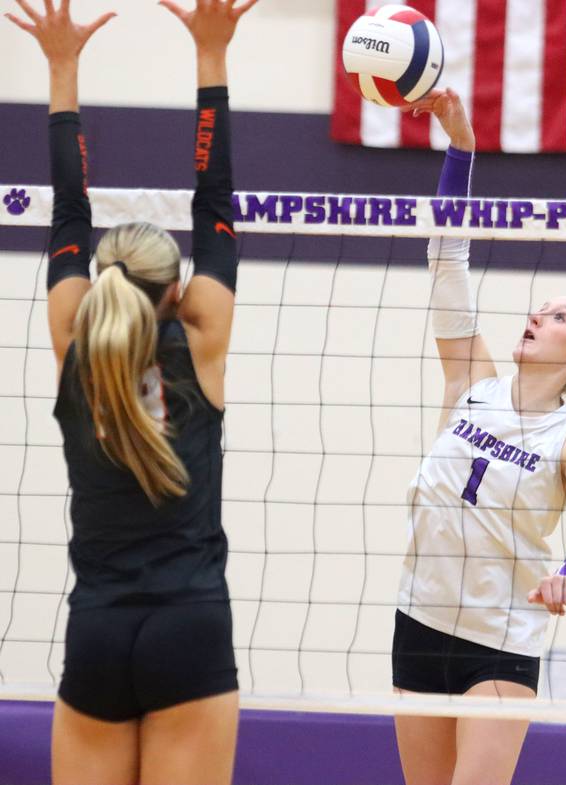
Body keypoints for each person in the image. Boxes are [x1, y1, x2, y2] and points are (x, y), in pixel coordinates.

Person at [5, 0, 258, 783]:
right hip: (190, 626)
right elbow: (216, 204)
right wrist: (212, 56)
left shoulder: (74, 340)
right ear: (178, 292)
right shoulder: (203, 338)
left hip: (98, 631)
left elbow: (65, 214)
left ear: (100, 283)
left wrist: (59, 70)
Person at [392, 89, 566, 785]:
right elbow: (445, 258)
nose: (538, 314)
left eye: (559, 316)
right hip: (419, 618)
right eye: (541, 307)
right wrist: (462, 148)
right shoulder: (471, 384)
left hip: (501, 639)